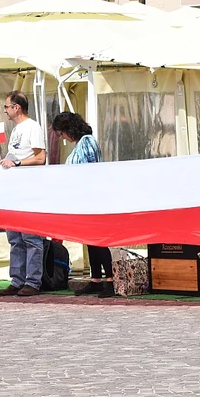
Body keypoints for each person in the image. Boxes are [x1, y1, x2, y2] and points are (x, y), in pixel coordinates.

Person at [51, 111, 114, 297]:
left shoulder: (87, 142)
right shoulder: (83, 143)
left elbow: (91, 170)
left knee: (99, 240)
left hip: (92, 198)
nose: (63, 137)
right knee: (91, 241)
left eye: (62, 133)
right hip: (85, 199)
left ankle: (109, 280)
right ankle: (96, 279)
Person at [0, 91, 47, 298]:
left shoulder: (32, 127)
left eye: (7, 107)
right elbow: (17, 154)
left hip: (29, 188)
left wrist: (17, 162)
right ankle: (17, 279)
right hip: (14, 189)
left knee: (31, 237)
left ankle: (32, 281)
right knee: (15, 236)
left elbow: (40, 157)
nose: (5, 110)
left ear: (17, 107)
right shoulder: (17, 129)